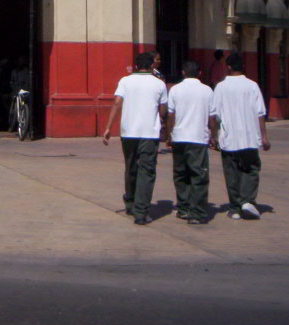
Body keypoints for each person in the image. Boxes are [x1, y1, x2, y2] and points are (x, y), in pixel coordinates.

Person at [102, 51, 168, 225]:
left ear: (137, 65)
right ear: (152, 65)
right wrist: (162, 123)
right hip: (149, 133)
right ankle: (141, 212)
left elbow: (117, 102)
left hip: (128, 132)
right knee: (146, 171)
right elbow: (162, 109)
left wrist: (108, 127)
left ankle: (130, 203)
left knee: (131, 167)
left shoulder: (125, 81)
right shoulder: (159, 84)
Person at [212, 52, 271, 220]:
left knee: (232, 172)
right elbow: (261, 113)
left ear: (228, 67)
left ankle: (235, 207)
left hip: (229, 138)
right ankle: (248, 201)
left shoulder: (221, 87)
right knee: (251, 169)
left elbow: (214, 114)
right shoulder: (252, 86)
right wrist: (264, 137)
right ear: (242, 66)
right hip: (250, 138)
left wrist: (214, 136)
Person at [166, 60, 216, 224]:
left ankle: (183, 208)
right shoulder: (207, 91)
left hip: (179, 137)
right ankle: (197, 212)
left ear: (183, 72)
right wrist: (213, 135)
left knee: (181, 174)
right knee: (198, 175)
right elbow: (211, 117)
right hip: (198, 139)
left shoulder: (175, 90)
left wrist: (169, 135)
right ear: (200, 73)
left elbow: (170, 116)